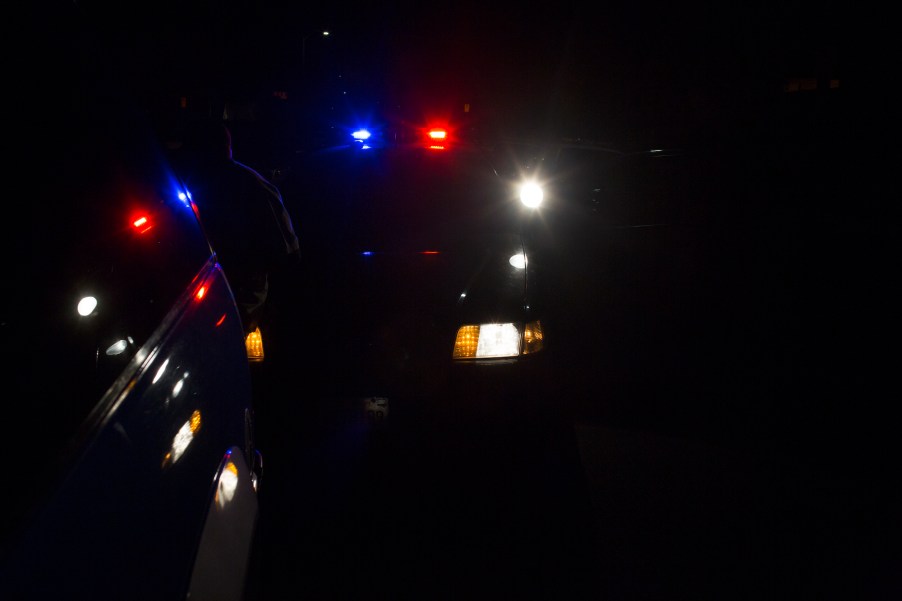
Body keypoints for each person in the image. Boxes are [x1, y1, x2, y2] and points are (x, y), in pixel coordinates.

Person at [175, 117, 300, 340]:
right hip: (223, 301)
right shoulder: (253, 185)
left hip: (234, 303)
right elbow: (286, 250)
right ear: (229, 146)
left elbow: (285, 254)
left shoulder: (187, 186)